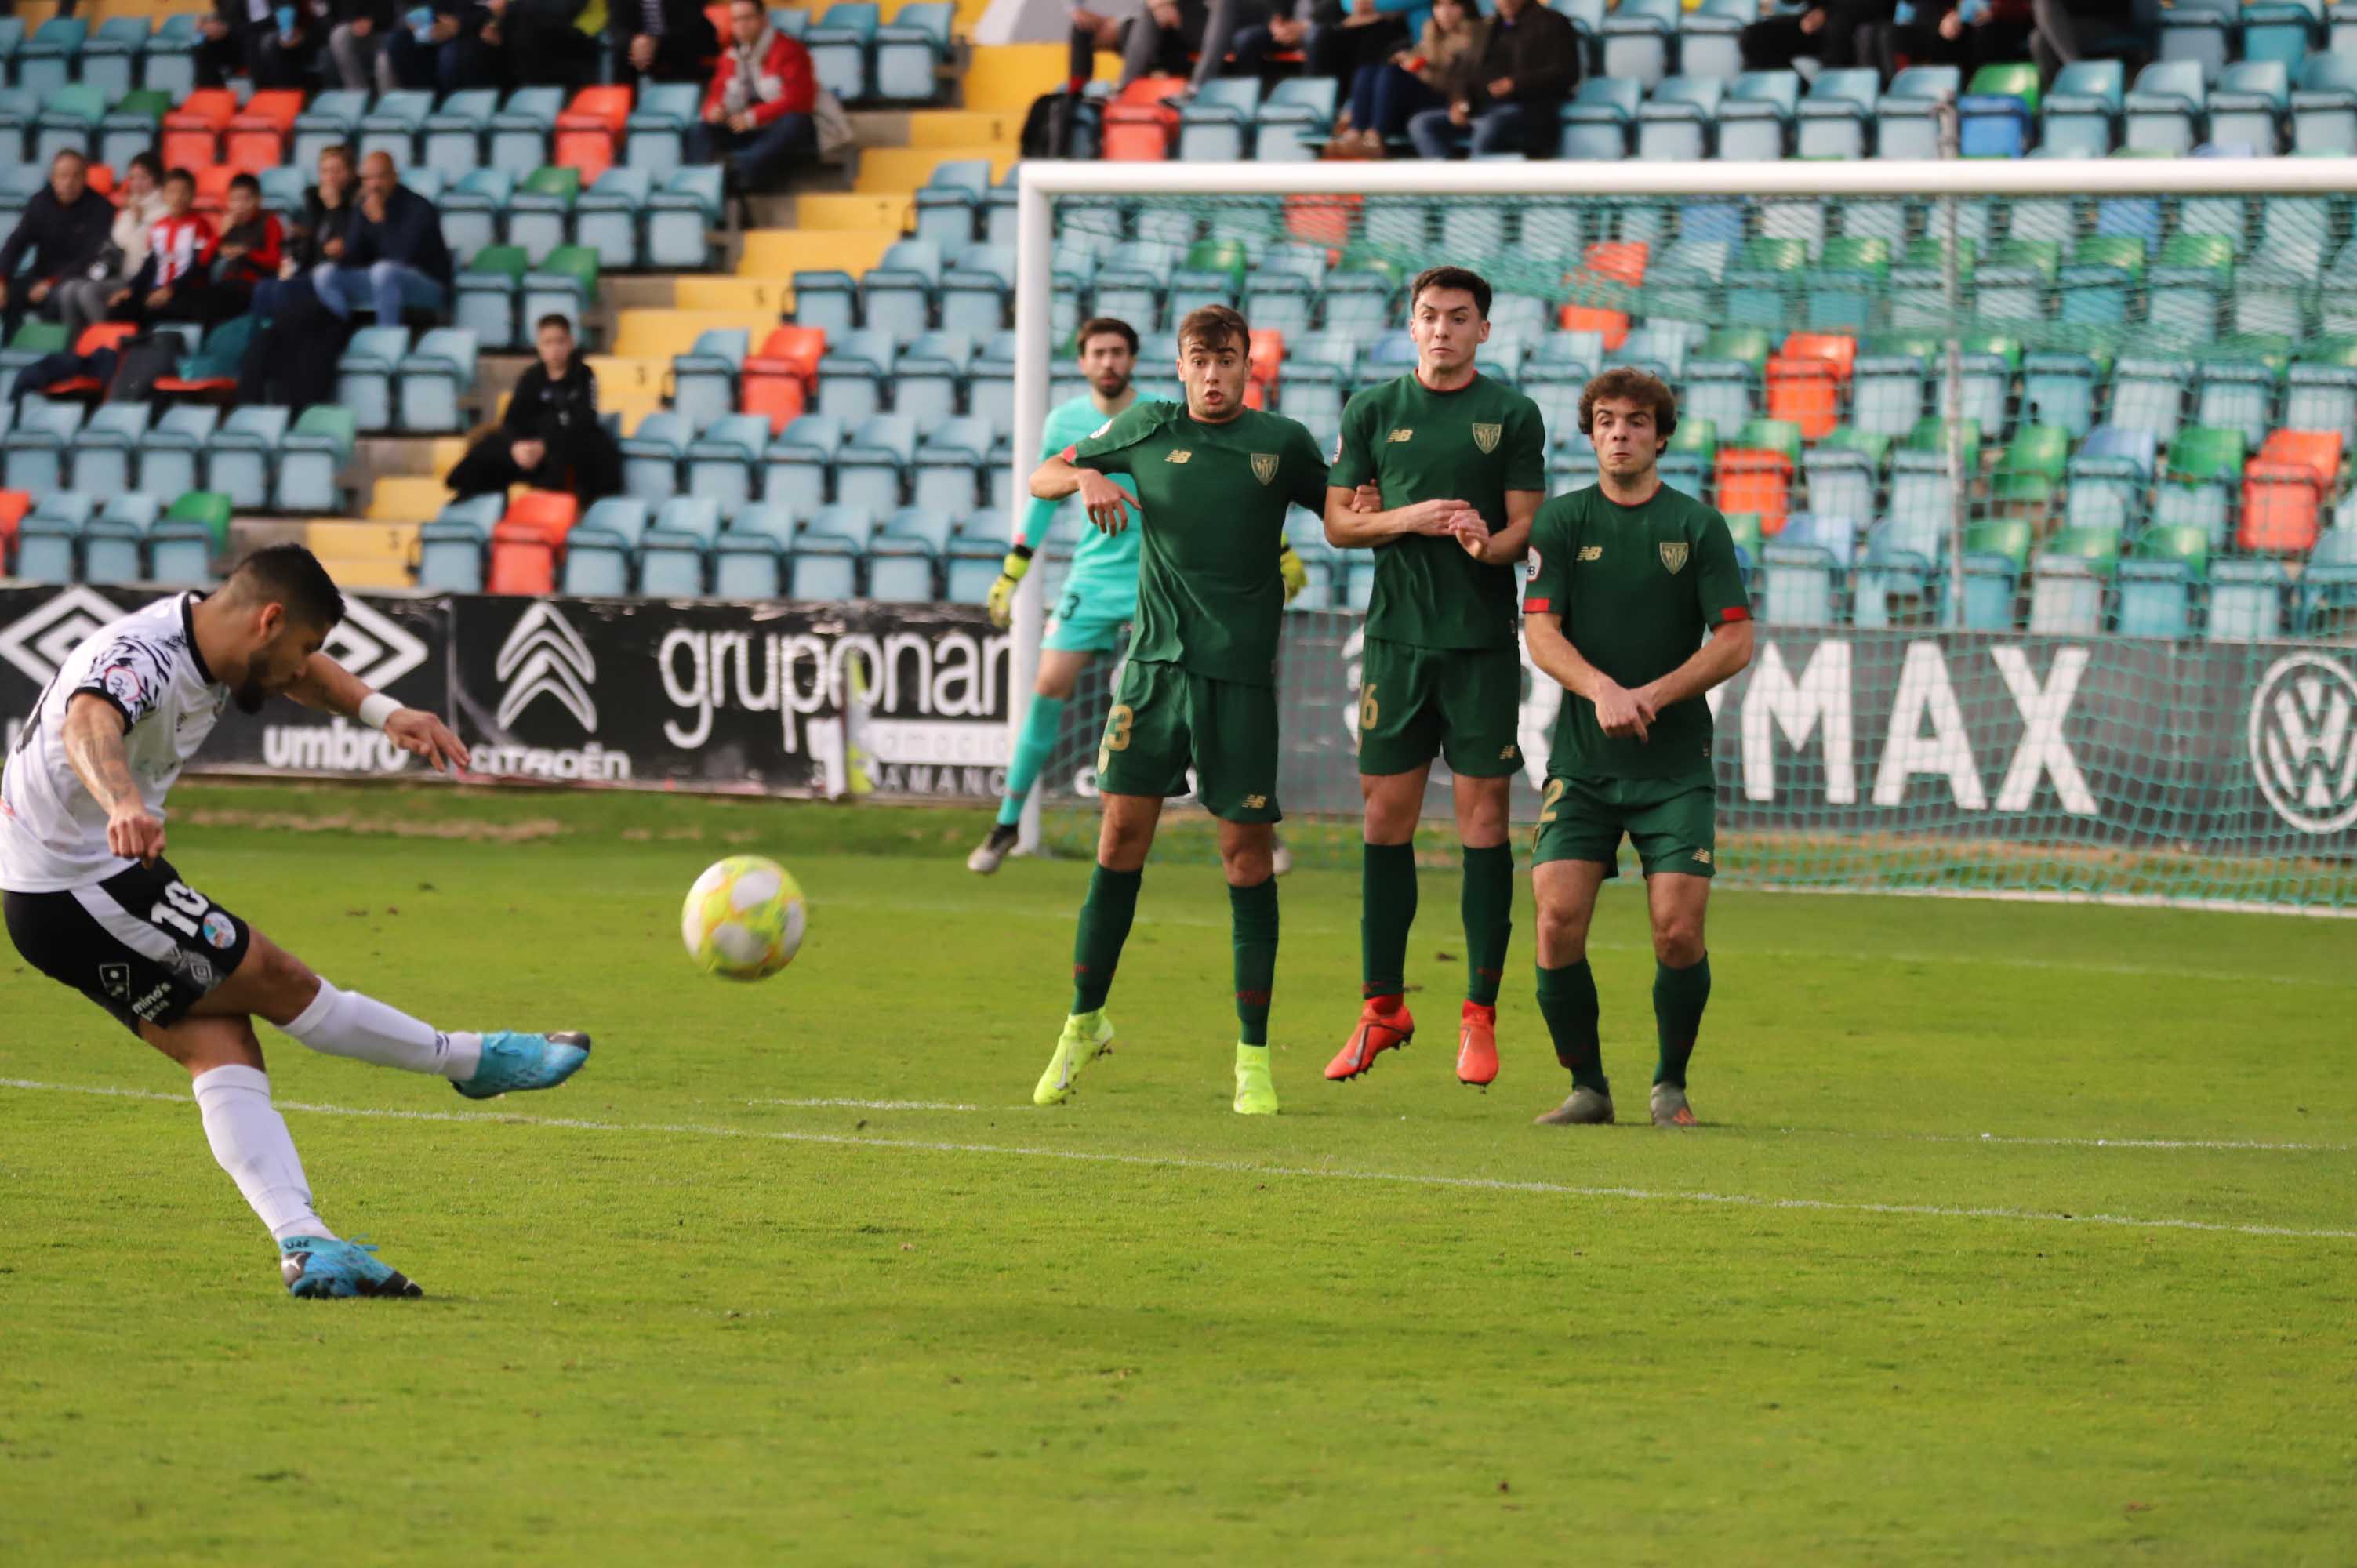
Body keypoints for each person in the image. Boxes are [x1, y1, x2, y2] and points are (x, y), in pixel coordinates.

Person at [0, 546, 591, 1299]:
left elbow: (303, 677)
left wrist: (386, 712)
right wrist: (121, 800)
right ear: (269, 619)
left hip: (75, 886)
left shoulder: (212, 641)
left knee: (223, 1046)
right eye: (304, 644)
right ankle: (470, 1062)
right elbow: (89, 720)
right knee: (280, 982)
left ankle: (307, 1245)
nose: (302, 666)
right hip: (81, 886)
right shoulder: (138, 655)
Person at [1026, 305, 1329, 1118]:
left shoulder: (1283, 443)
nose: (1214, 373)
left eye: (1228, 359)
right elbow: (1041, 477)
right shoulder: (1146, 425)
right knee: (1120, 840)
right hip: (1152, 673)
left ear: (1247, 366)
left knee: (1245, 859)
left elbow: (1344, 513)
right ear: (1182, 364)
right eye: (1201, 359)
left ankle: (1253, 1058)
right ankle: (1082, 1023)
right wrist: (1088, 472)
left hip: (1238, 681)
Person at [969, 318, 1310, 876]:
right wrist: (1014, 571)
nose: (1108, 362)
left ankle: (1258, 832)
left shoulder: (1156, 418)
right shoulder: (1067, 422)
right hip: (1097, 576)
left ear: (1134, 360)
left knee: (1214, 692)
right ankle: (1007, 823)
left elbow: (1230, 497)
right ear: (1082, 362)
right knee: (1050, 683)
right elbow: (1043, 490)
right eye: (1098, 353)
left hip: (1172, 580)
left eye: (1118, 352)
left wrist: (1282, 550)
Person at [1322, 266, 1545, 1089]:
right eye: (1429, 316)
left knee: (1483, 819)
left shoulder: (1511, 414)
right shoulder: (1374, 410)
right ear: (1410, 326)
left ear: (1484, 330)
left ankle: (1478, 1017)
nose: (1443, 328)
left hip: (1481, 643)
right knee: (1386, 819)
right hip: (1395, 643)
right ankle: (1383, 1007)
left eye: (1459, 317)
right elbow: (1341, 524)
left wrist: (1496, 543)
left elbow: (1530, 524)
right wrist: (1409, 517)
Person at [1519, 369, 1754, 1130]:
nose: (1621, 433)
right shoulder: (1560, 522)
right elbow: (1541, 630)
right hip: (1583, 765)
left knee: (1678, 930)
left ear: (1661, 435)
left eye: (1637, 422)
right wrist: (1602, 690)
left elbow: (1736, 638)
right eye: (1608, 421)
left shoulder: (1696, 526)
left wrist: (1652, 693)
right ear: (1590, 433)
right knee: (1556, 919)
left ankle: (1669, 1085)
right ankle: (1588, 1086)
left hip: (1674, 767)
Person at [445, 314, 623, 504]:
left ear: (570, 343)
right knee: (489, 446)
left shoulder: (584, 375)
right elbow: (512, 420)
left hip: (563, 449)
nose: (554, 349)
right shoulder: (531, 378)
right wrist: (517, 447)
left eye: (560, 342)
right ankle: (471, 496)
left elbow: (585, 420)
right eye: (547, 343)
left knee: (589, 447)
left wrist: (545, 446)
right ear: (539, 345)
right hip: (528, 451)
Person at [1405, 0, 1578, 159]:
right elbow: (1463, 73)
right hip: (1480, 107)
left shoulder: (1553, 23)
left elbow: (1566, 73)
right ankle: (1444, 184)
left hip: (1527, 108)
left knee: (1490, 125)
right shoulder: (1488, 28)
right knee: (1422, 123)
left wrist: (1516, 83)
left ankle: (1475, 185)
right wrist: (1460, 102)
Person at [691, 0, 818, 194]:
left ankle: (739, 169)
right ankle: (704, 184)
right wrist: (715, 110)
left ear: (763, 19)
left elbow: (799, 99)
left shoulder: (789, 49)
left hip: (780, 128)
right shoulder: (730, 56)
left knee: (795, 121)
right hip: (747, 128)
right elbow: (717, 93)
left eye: (747, 18)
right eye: (735, 20)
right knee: (701, 130)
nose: (741, 25)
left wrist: (753, 117)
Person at [313, 151, 454, 326]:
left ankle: (386, 338)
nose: (373, 185)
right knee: (324, 274)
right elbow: (356, 257)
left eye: (379, 177)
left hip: (428, 284)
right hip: (379, 278)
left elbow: (403, 256)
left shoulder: (419, 207)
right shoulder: (363, 206)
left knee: (384, 271)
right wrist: (341, 252)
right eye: (367, 179)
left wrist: (380, 222)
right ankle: (339, 335)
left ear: (394, 177)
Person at [1337, 0, 1483, 154]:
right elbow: (1420, 56)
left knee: (1393, 75)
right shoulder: (1432, 32)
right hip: (1424, 91)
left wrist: (1421, 71)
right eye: (1439, 6)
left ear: (1466, 7)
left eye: (1453, 5)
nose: (1445, 12)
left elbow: (1458, 83)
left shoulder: (1475, 37)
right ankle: (1355, 133)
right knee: (1368, 71)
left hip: (1451, 99)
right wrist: (1406, 58)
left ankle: (1375, 137)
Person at [0, 150, 116, 343]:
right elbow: (17, 242)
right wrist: (2, 278)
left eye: (75, 176)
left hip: (76, 279)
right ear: (53, 178)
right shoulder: (40, 202)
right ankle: (9, 348)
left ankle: (60, 349)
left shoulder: (101, 208)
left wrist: (51, 283)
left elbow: (91, 256)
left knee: (59, 297)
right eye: (63, 176)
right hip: (39, 276)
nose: (69, 182)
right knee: (9, 293)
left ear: (85, 178)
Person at [53, 153, 166, 347]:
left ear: (156, 179)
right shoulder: (126, 211)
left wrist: (140, 221)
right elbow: (115, 244)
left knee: (88, 292)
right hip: (115, 275)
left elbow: (150, 251)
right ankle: (74, 349)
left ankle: (107, 347)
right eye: (132, 178)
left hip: (139, 279)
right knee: (68, 289)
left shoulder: (164, 211)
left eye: (143, 178)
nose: (136, 184)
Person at [110, 168, 216, 329]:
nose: (178, 197)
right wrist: (129, 289)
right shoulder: (158, 227)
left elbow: (198, 266)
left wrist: (170, 290)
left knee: (158, 311)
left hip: (185, 291)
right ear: (164, 195)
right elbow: (149, 266)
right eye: (173, 192)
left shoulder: (200, 226)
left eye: (184, 192)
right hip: (156, 290)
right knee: (118, 308)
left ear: (193, 195)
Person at [1066, 0, 1210, 94]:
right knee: (1081, 27)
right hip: (1140, 22)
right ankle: (1075, 97)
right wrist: (1075, 10)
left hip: (1192, 20)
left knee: (1145, 19)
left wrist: (1159, 5)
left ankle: (1125, 89)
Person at [208, 172, 285, 322]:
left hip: (256, 285)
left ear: (258, 200)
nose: (240, 206)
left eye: (246, 199)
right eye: (234, 200)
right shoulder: (227, 224)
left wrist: (246, 253)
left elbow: (275, 261)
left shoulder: (270, 222)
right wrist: (218, 235)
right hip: (226, 284)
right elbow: (203, 262)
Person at [1738, 0, 1892, 72]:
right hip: (1819, 18)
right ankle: (1798, 93)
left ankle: (1833, 94)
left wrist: (1827, 14)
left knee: (1837, 28)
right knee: (1756, 37)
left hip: (1861, 24)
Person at [386, 0, 503, 93]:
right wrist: (419, 20)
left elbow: (498, 8)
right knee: (400, 41)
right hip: (442, 23)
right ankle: (425, 106)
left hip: (480, 30)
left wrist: (460, 25)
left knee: (452, 54)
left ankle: (458, 110)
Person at [614, 0, 721, 88]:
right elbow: (616, 25)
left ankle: (682, 101)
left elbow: (690, 18)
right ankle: (621, 106)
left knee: (686, 48)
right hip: (640, 45)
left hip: (684, 38)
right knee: (618, 50)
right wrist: (634, 41)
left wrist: (655, 40)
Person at [327, 0, 401, 92]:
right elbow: (334, 15)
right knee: (340, 35)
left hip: (388, 32)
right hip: (360, 36)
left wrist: (372, 19)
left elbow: (394, 13)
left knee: (383, 61)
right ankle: (357, 94)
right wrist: (353, 21)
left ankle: (390, 102)